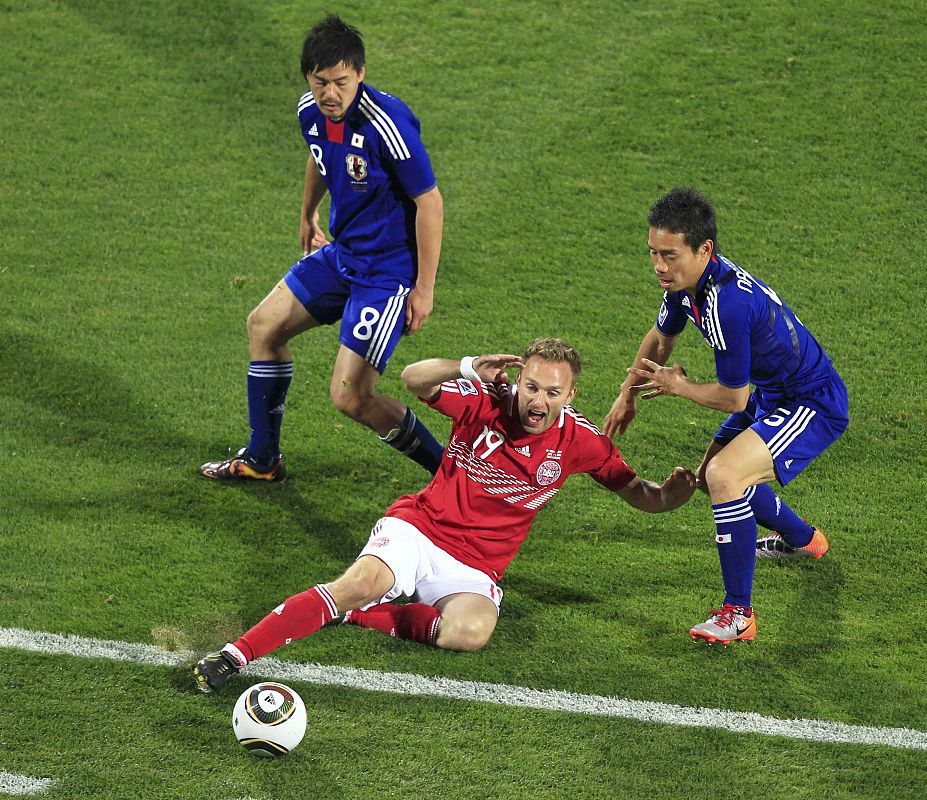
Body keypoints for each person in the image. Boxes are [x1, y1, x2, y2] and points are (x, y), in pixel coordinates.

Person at [194, 338, 696, 692]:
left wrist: (671, 495)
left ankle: (361, 616)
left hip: (476, 568)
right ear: (518, 380)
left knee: (469, 632)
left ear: (571, 396)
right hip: (420, 528)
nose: (538, 400)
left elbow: (637, 491)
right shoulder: (485, 401)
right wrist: (466, 365)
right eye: (532, 387)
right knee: (359, 581)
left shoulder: (580, 442)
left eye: (552, 392)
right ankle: (235, 655)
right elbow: (414, 379)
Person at [199, 15, 445, 483]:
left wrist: (423, 289)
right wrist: (308, 213)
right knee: (264, 326)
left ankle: (452, 476)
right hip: (344, 255)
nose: (330, 93)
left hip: (386, 273)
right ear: (308, 79)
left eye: (341, 82)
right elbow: (320, 159)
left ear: (360, 74)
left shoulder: (386, 123)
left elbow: (429, 202)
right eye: (320, 82)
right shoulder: (309, 112)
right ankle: (262, 459)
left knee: (351, 397)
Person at [603, 187, 848, 645]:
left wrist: (679, 386)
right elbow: (660, 340)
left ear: (704, 250)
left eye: (670, 255)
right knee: (711, 481)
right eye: (653, 253)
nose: (659, 266)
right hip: (776, 395)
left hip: (811, 403)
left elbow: (734, 398)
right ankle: (804, 540)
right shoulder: (685, 285)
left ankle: (739, 615)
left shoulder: (727, 304)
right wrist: (627, 393)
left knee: (724, 476)